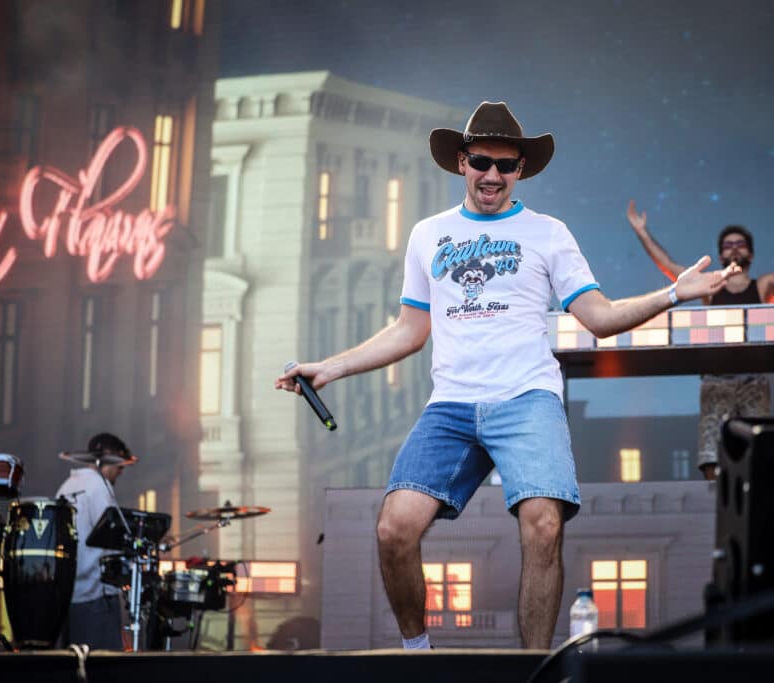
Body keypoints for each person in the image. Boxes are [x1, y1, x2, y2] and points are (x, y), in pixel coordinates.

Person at [276, 101, 739, 649]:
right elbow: (408, 330)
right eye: (481, 162)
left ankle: (533, 669)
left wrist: (672, 294)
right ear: (461, 162)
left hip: (527, 400)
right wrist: (329, 368)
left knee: (543, 523)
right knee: (393, 528)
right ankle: (417, 655)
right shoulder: (428, 234)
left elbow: (599, 317)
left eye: (506, 165)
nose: (492, 174)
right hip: (451, 406)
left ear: (520, 170)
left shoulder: (548, 233)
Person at [626, 197, 774, 480]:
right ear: (720, 255)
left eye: (740, 244)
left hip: (753, 380)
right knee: (711, 453)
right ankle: (713, 502)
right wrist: (642, 231)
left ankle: (753, 501)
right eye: (727, 245)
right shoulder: (709, 287)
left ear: (750, 254)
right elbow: (669, 266)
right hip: (716, 380)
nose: (733, 248)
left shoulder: (764, 286)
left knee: (757, 451)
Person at [55, 432, 137, 650]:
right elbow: (113, 538)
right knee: (104, 664)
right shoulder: (98, 485)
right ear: (107, 459)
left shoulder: (66, 487)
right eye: (119, 465)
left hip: (70, 597)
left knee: (76, 661)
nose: (121, 471)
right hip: (96, 596)